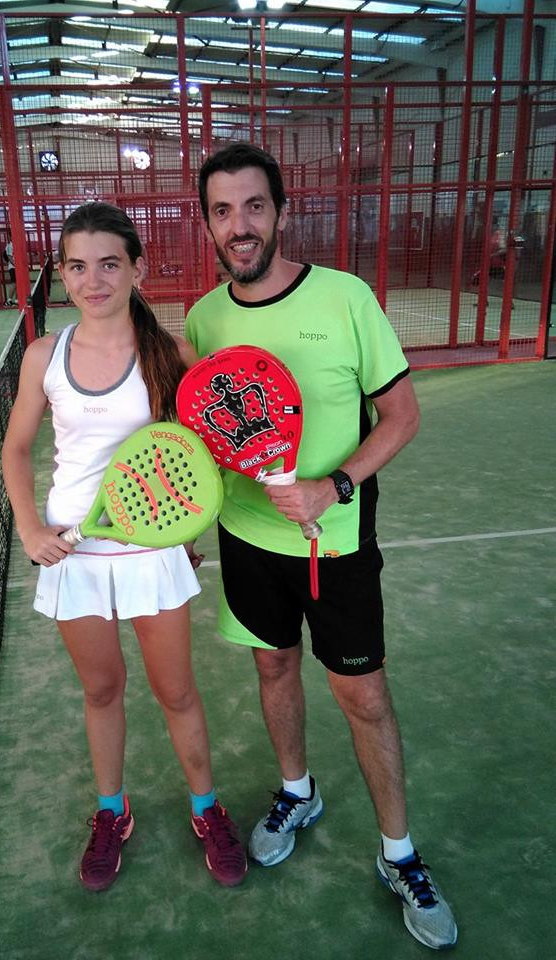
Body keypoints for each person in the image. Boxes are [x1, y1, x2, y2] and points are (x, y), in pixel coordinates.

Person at [185, 143, 457, 950]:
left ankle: (399, 854)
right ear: (208, 224)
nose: (240, 225)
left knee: (363, 695)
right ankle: (297, 791)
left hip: (334, 542)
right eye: (223, 211)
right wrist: (190, 528)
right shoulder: (204, 319)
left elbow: (402, 417)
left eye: (254, 206)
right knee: (273, 667)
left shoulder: (346, 298)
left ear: (280, 211)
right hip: (246, 538)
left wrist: (332, 487)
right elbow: (211, 436)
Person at [1, 202, 246, 893]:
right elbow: (15, 450)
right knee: (102, 689)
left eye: (109, 264)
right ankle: (112, 812)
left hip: (150, 552)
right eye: (78, 266)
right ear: (62, 274)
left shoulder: (171, 354)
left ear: (137, 269)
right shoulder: (44, 357)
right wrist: (30, 528)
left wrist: (182, 531)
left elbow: (206, 453)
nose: (94, 280)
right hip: (73, 554)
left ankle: (207, 808)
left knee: (176, 691)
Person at [2, 238, 17, 305]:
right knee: (14, 283)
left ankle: (17, 300)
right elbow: (9, 257)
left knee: (18, 284)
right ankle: (9, 300)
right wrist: (15, 265)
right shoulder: (9, 245)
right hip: (13, 267)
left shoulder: (17, 244)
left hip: (18, 268)